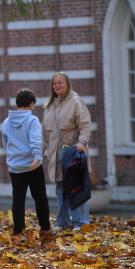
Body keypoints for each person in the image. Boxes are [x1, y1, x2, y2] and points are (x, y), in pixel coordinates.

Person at [43, 72, 91, 231]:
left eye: (60, 83)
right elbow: (45, 133)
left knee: (76, 187)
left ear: (67, 84)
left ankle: (81, 223)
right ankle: (62, 222)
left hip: (72, 154)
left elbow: (85, 126)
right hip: (56, 156)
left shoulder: (76, 102)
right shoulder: (49, 105)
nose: (57, 85)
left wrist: (82, 143)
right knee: (60, 189)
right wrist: (43, 151)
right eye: (54, 83)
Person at [1, 88, 51, 237]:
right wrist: (37, 157)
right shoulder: (32, 120)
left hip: (15, 166)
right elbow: (35, 140)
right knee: (40, 196)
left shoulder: (6, 122)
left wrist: (11, 158)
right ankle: (45, 227)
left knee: (18, 198)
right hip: (32, 165)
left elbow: (6, 143)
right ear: (31, 104)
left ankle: (18, 229)